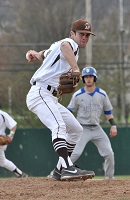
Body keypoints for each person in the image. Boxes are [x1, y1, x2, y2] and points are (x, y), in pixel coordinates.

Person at [26, 19, 95, 181]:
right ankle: (67, 168)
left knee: (76, 129)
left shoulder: (58, 46)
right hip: (40, 93)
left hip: (49, 97)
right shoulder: (69, 44)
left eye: (87, 35)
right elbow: (66, 47)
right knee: (58, 126)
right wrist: (76, 69)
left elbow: (46, 54)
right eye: (82, 34)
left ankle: (59, 170)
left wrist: (34, 54)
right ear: (72, 34)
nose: (84, 38)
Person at [67, 66, 117, 179]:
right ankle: (57, 171)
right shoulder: (77, 95)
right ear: (83, 79)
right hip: (82, 128)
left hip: (96, 128)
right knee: (75, 153)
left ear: (95, 78)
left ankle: (110, 178)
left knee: (109, 153)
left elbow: (108, 111)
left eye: (91, 76)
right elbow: (69, 111)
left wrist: (113, 125)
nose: (88, 79)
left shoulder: (102, 94)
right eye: (86, 77)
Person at [0, 109, 28, 178]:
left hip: (0, 140)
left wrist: (11, 136)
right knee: (2, 161)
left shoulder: (2, 114)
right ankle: (20, 174)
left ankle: (21, 175)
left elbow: (13, 125)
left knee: (2, 161)